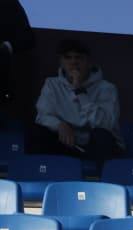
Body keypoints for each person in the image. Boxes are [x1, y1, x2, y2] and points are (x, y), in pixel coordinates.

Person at [31, 38, 123, 166]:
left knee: (102, 136)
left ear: (89, 62)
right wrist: (59, 125)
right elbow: (42, 116)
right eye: (68, 58)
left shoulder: (107, 88)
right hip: (65, 141)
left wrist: (80, 92)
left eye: (78, 58)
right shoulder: (52, 84)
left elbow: (105, 124)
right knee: (37, 131)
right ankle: (40, 176)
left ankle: (101, 184)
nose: (73, 62)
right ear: (61, 62)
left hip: (94, 146)